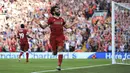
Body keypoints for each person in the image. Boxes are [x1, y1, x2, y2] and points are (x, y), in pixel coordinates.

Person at [34, 6, 78, 71]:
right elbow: (43, 27)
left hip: (61, 36)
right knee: (54, 53)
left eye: (59, 9)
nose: (59, 10)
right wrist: (39, 24)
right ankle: (55, 51)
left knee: (60, 49)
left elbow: (67, 27)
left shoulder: (61, 19)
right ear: (54, 11)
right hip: (53, 37)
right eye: (57, 9)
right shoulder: (51, 19)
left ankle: (59, 65)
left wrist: (73, 23)